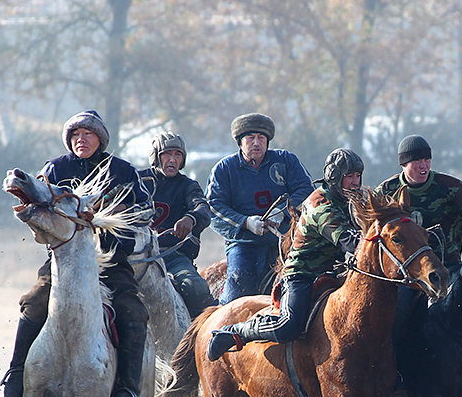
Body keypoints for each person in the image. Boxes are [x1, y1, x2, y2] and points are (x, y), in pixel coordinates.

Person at [0, 110, 150, 397]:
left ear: (101, 139)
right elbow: (34, 203)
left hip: (111, 261)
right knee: (34, 301)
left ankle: (127, 389)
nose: (81, 139)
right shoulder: (55, 169)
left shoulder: (122, 170)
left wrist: (111, 213)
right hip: (62, 261)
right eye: (75, 135)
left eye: (88, 134)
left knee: (133, 311)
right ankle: (16, 371)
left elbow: (146, 209)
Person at [377, 134, 462, 387]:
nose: (423, 166)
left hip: (448, 267)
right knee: (399, 315)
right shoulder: (386, 192)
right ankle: (393, 368)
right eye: (417, 161)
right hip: (407, 275)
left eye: (427, 160)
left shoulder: (449, 186)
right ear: (403, 165)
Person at [207, 147, 365, 360]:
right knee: (288, 326)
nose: (355, 182)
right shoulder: (321, 203)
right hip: (304, 273)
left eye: (358, 176)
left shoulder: (351, 201)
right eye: (349, 177)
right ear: (335, 177)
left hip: (334, 271)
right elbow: (347, 241)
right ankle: (235, 332)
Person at [206, 113, 313, 304]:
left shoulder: (286, 161)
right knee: (238, 290)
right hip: (244, 244)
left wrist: (282, 212)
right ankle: (223, 331)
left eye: (261, 138)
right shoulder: (224, 169)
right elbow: (213, 207)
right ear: (240, 142)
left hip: (285, 240)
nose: (256, 143)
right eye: (250, 138)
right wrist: (245, 222)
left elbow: (306, 190)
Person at [136, 132, 216, 318]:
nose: (172, 159)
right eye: (167, 154)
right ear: (156, 156)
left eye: (177, 155)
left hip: (173, 255)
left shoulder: (188, 186)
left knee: (196, 289)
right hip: (136, 255)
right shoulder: (137, 181)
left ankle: (205, 336)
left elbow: (203, 208)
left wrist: (191, 219)